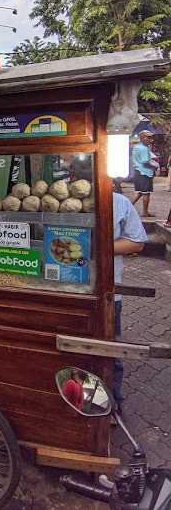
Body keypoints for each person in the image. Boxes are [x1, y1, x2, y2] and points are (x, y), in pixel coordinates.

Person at [112, 191, 148, 413]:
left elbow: (137, 241)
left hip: (107, 291)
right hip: (65, 288)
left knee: (110, 349)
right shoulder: (63, 199)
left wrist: (95, 248)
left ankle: (113, 400)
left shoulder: (120, 202)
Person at [132, 131, 158, 217]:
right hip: (145, 172)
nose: (151, 140)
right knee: (146, 193)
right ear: (143, 138)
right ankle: (145, 212)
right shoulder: (144, 148)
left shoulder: (136, 147)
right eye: (148, 137)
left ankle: (128, 206)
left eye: (151, 137)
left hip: (138, 172)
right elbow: (145, 162)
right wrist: (155, 167)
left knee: (140, 192)